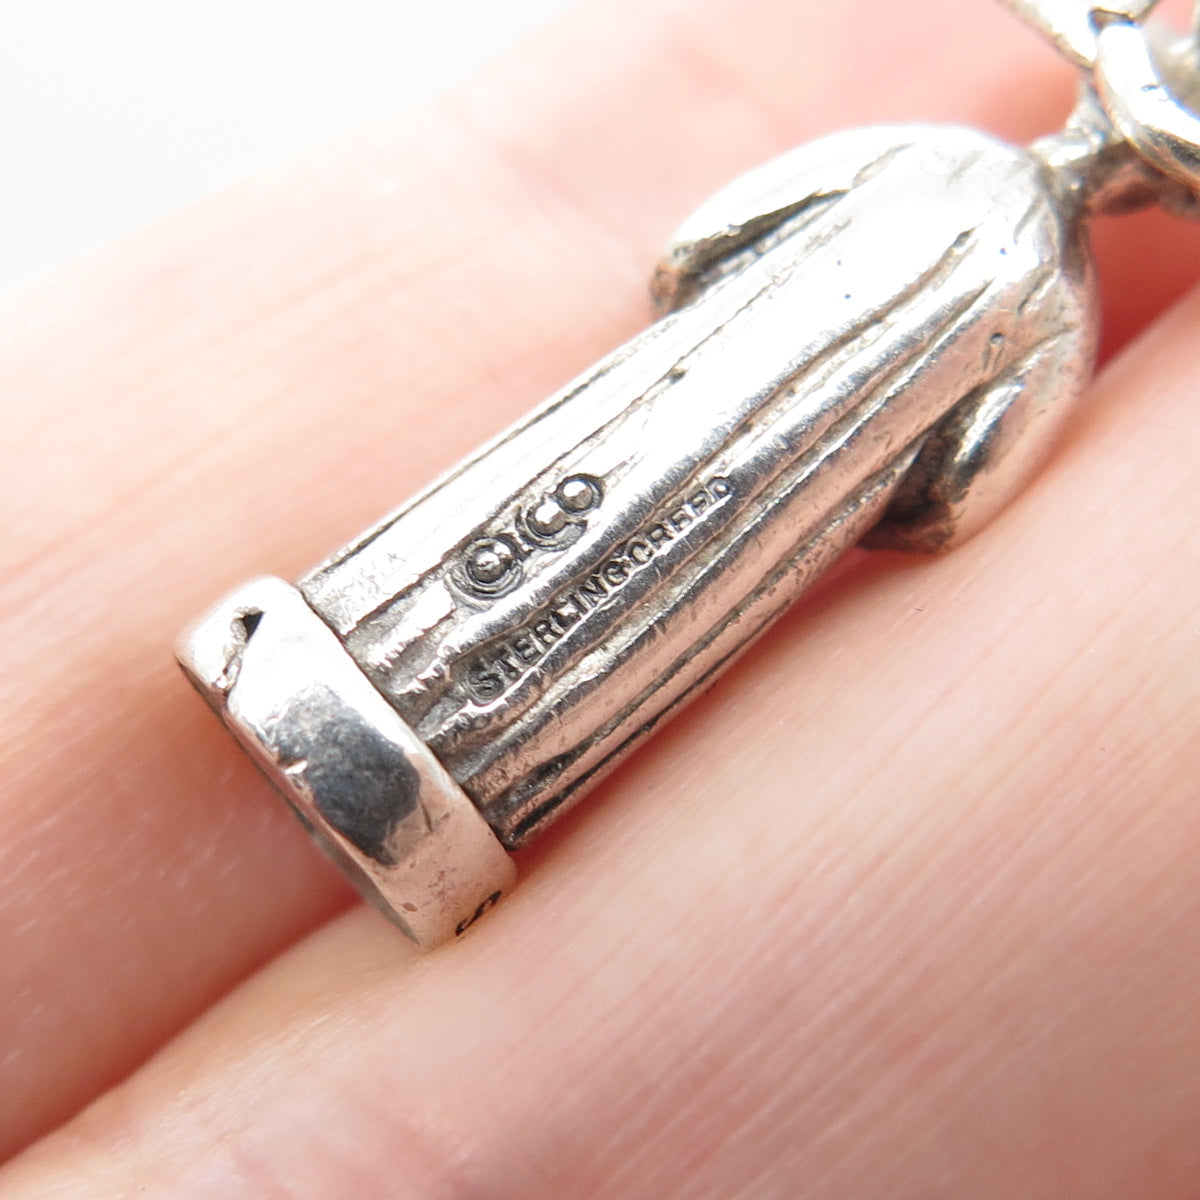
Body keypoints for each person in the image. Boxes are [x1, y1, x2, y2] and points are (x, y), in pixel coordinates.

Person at [2, 0, 1198, 1194]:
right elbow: (951, 505)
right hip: (755, 529)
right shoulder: (1057, 298)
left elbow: (697, 247)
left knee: (471, 547)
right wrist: (830, 499)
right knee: (612, 658)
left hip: (633, 411)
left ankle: (320, 665)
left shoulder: (922, 154)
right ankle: (462, 802)